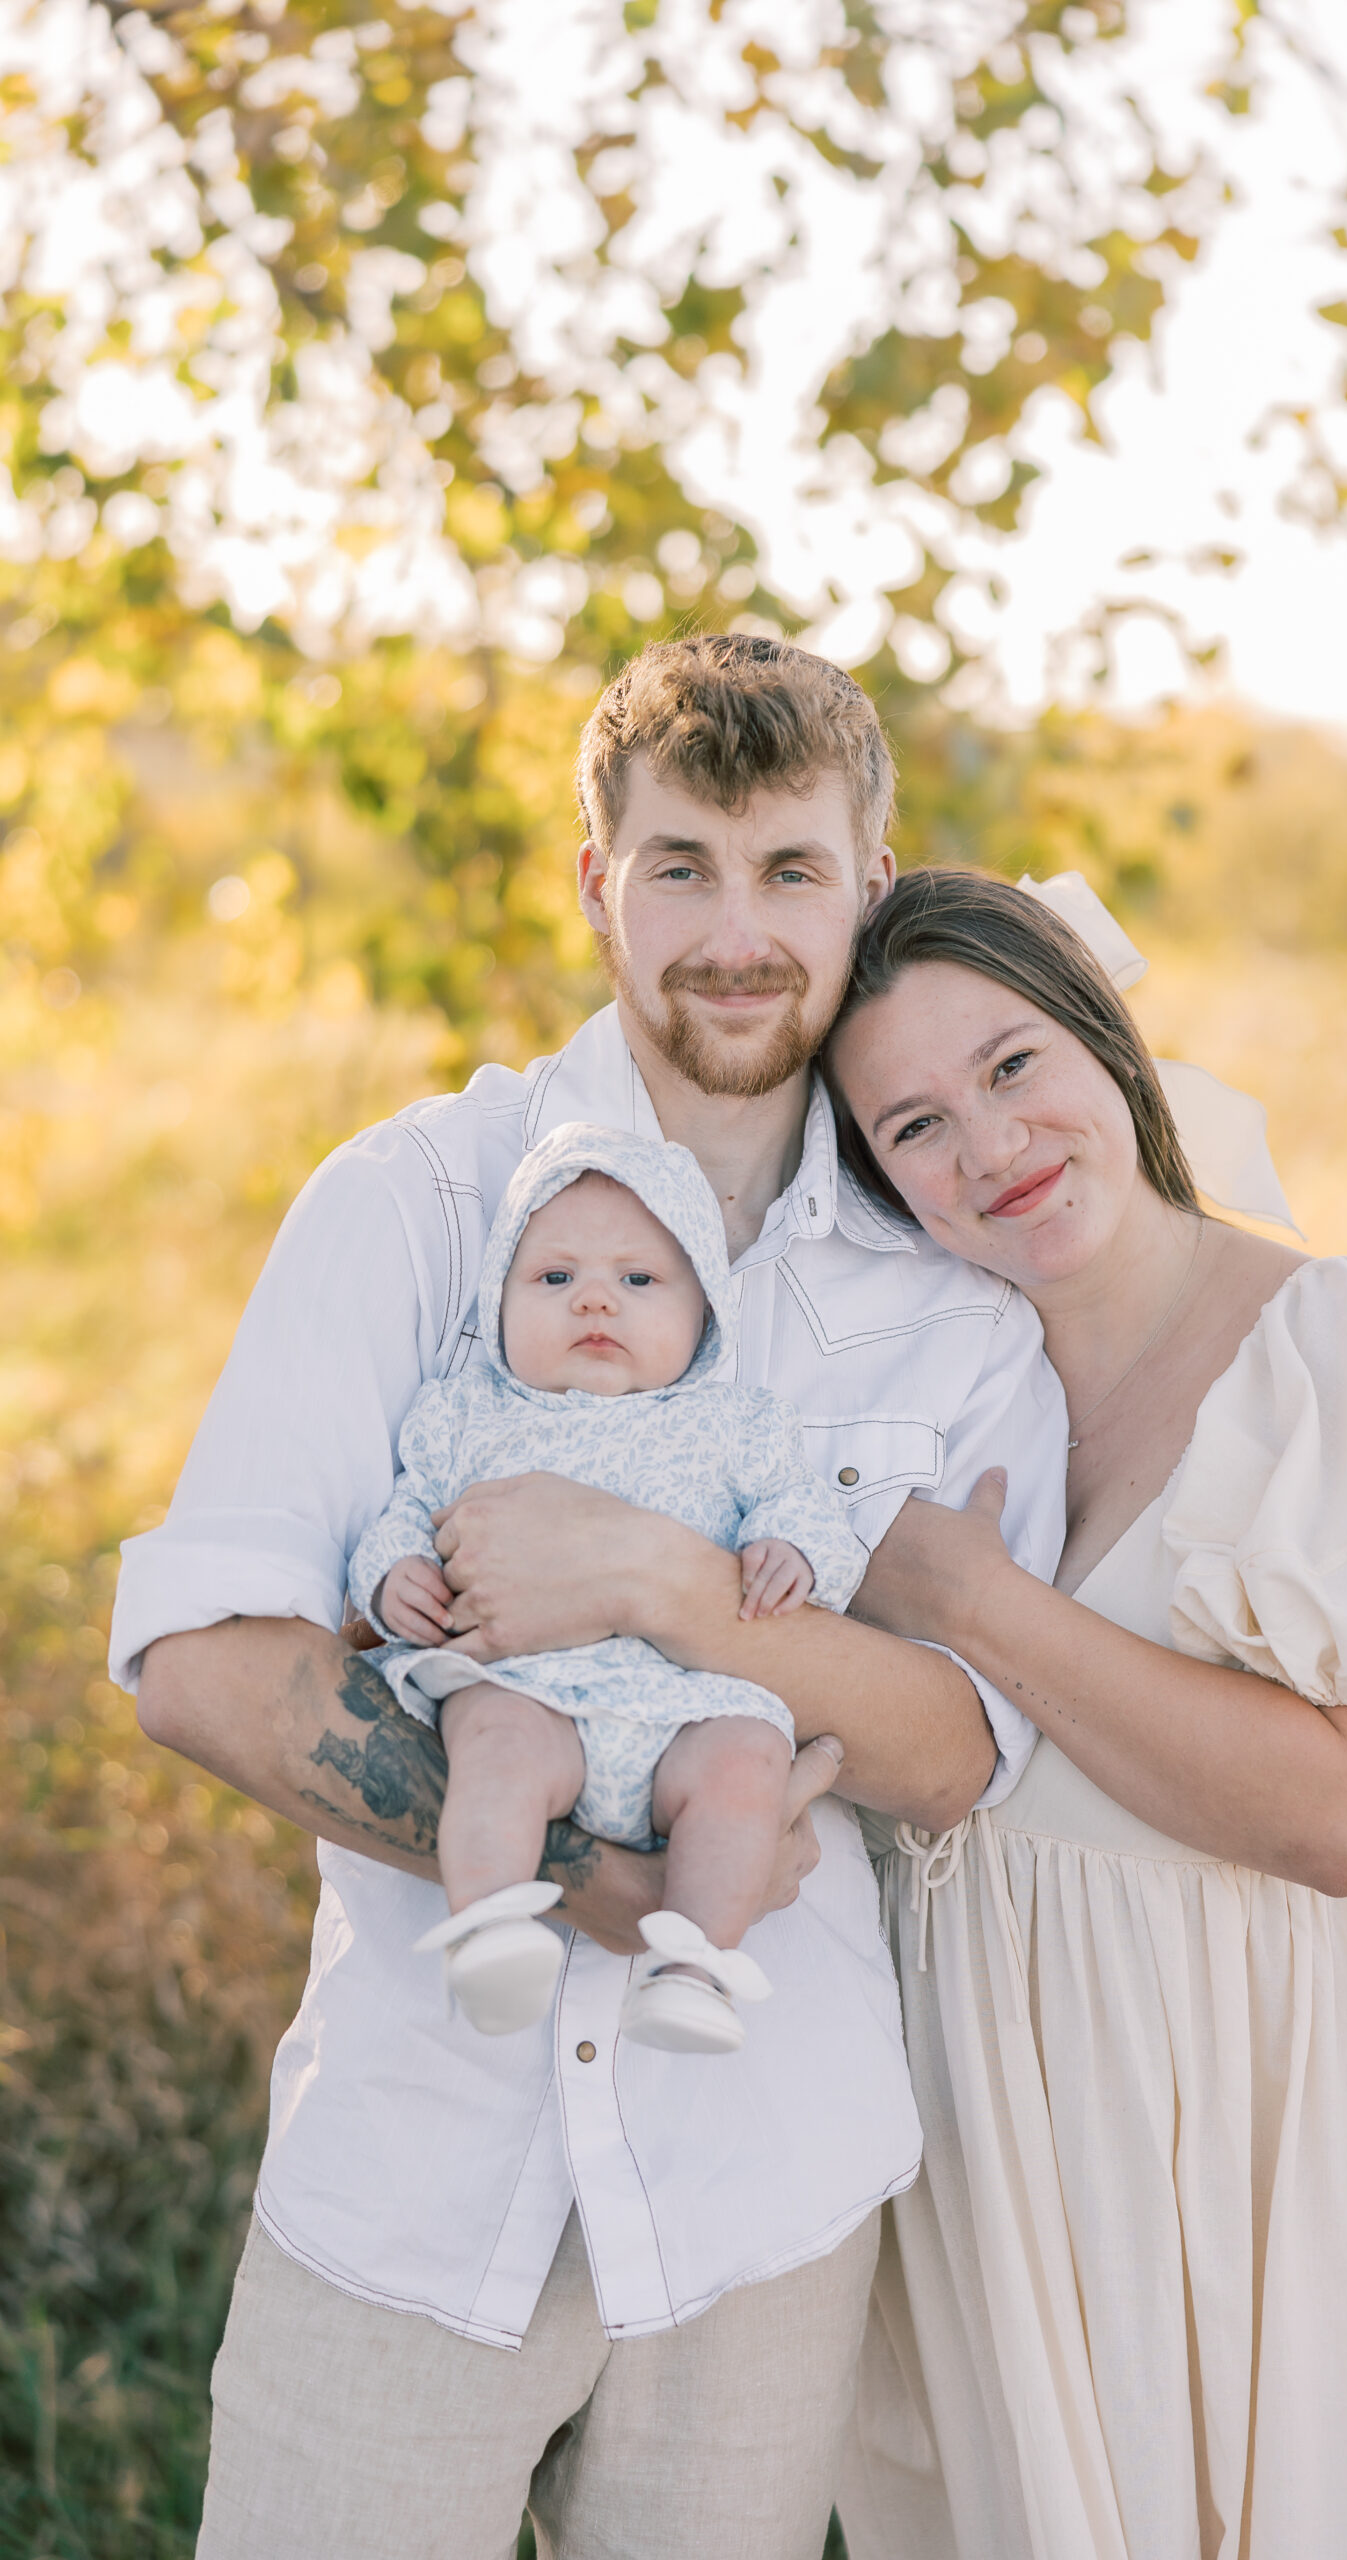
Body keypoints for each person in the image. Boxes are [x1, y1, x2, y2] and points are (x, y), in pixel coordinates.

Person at [110, 638, 1067, 2560]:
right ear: (594, 882)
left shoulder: (948, 1284)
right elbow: (210, 1667)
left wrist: (665, 1587)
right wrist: (589, 1887)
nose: (735, 929)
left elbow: (964, 1751)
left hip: (765, 2185)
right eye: (681, 865)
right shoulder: (417, 1204)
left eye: (789, 869)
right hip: (415, 2163)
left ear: (869, 884)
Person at [821, 868, 1347, 2560]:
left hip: (1240, 2097)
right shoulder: (918, 1392)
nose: (989, 1148)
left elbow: (1343, 1816)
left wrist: (978, 1604)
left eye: (1011, 1066)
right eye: (915, 1125)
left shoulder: (1336, 1351)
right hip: (982, 2121)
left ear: (1105, 1034)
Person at [350, 1119, 865, 2049]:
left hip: (686, 1706)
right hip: (528, 1686)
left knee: (748, 1762)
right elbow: (406, 1506)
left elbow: (805, 1507)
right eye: (553, 1279)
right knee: (492, 1745)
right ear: (498, 1300)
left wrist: (797, 1547)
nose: (595, 1302)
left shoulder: (735, 1424)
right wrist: (394, 1573)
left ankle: (693, 1967)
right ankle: (491, 1928)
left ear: (703, 1312)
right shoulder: (465, 1413)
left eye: (637, 1280)